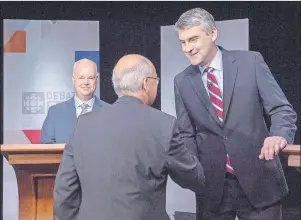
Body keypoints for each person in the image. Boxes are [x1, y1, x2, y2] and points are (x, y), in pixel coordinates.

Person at [173, 8, 297, 220]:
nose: (188, 48)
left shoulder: (251, 62)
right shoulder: (182, 81)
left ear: (212, 34)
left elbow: (282, 109)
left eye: (193, 39)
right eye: (183, 42)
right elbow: (186, 133)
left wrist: (279, 135)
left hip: (260, 180)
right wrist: (195, 172)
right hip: (212, 188)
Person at [53, 54, 205, 220]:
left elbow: (64, 191)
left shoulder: (82, 125)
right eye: (156, 80)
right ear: (146, 83)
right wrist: (190, 137)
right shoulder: (163, 125)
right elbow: (194, 178)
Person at [40, 58, 109, 144]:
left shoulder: (110, 112)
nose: (86, 82)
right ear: (73, 79)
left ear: (96, 79)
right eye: (81, 78)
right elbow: (46, 151)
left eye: (91, 78)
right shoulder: (55, 113)